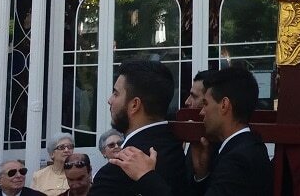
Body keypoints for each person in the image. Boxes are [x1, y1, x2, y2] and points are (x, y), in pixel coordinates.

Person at [110, 66, 272, 196]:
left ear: (224, 105)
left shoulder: (239, 158)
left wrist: (147, 177)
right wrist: (202, 174)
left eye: (206, 104)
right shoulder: (244, 148)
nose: (201, 112)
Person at [88, 58, 187, 195]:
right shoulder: (176, 148)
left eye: (116, 93)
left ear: (134, 105)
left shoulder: (114, 172)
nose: (110, 100)